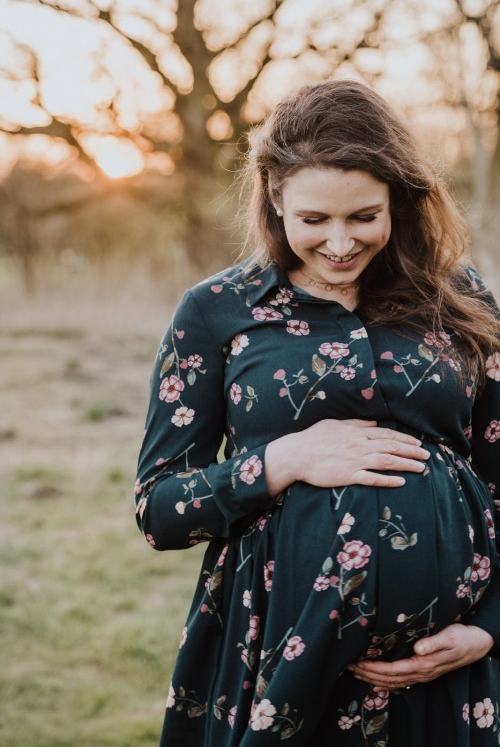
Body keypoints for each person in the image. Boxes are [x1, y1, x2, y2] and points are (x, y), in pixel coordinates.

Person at [134, 79, 500, 746]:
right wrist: (280, 461)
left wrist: (488, 629)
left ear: (400, 199)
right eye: (313, 220)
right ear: (275, 199)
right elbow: (158, 510)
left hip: (443, 679)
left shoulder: (463, 299)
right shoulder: (217, 311)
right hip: (271, 657)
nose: (339, 243)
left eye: (363, 216)